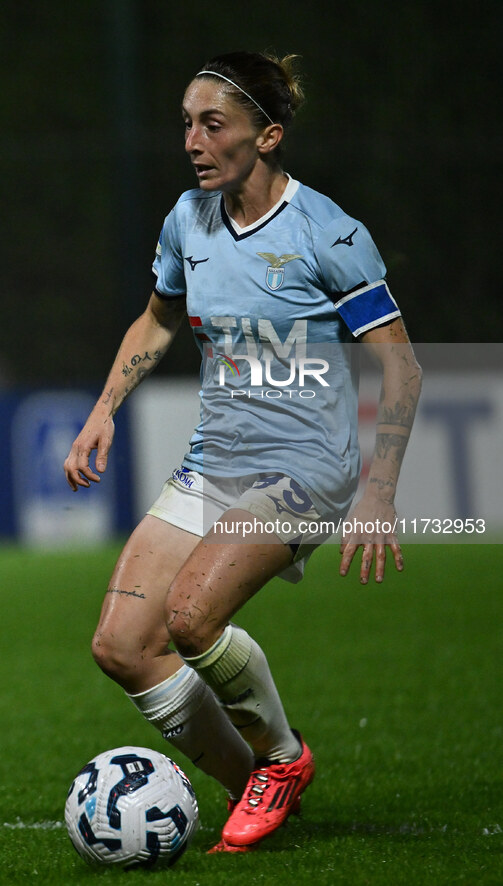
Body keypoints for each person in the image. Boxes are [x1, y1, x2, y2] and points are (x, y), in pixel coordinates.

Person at [64, 50, 422, 853]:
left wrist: (379, 491)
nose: (192, 140)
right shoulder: (186, 219)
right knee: (122, 647)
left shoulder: (328, 233)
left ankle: (282, 759)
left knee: (191, 619)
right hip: (212, 461)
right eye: (186, 123)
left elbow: (399, 364)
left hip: (307, 470)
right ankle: (250, 788)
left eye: (211, 124)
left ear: (266, 136)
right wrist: (103, 410)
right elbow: (157, 319)